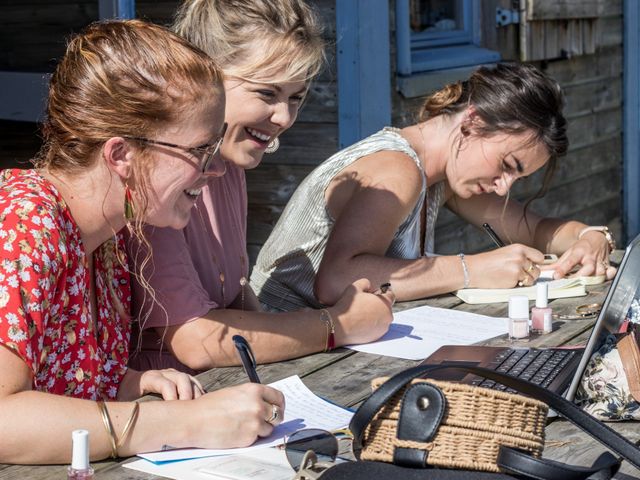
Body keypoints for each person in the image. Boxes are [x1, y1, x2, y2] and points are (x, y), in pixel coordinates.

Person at [0, 20, 285, 464]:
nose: (212, 170)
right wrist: (189, 424)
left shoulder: (107, 235)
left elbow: (57, 375)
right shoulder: (24, 224)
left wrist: (131, 382)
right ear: (121, 155)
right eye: (198, 150)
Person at [127, 0, 394, 373]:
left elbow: (234, 295)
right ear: (204, 76)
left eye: (296, 97)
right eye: (267, 93)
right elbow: (196, 341)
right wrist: (338, 325)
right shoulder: (160, 175)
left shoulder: (230, 163)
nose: (284, 117)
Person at [250, 63, 618, 311]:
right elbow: (335, 283)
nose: (503, 188)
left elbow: (535, 229)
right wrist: (471, 269)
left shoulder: (443, 178)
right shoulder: (398, 169)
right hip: (280, 355)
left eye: (516, 179)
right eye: (507, 166)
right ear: (473, 123)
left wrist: (590, 238)